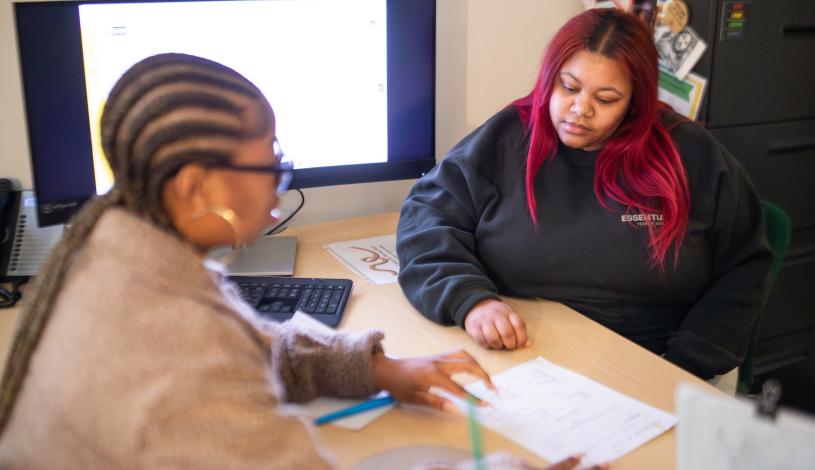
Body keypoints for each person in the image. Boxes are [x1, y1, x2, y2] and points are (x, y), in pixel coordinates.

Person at [0, 54, 599, 469]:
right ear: (193, 186)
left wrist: (378, 370)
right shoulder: (177, 353)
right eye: (268, 159)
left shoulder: (115, 242)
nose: (280, 179)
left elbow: (245, 344)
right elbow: (216, 362)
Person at [396, 8, 772, 381]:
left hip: (658, 365)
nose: (579, 109)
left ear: (635, 104)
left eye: (606, 99)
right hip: (523, 360)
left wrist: (683, 366)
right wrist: (471, 300)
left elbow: (745, 267)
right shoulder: (509, 135)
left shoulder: (690, 154)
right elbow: (426, 217)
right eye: (569, 87)